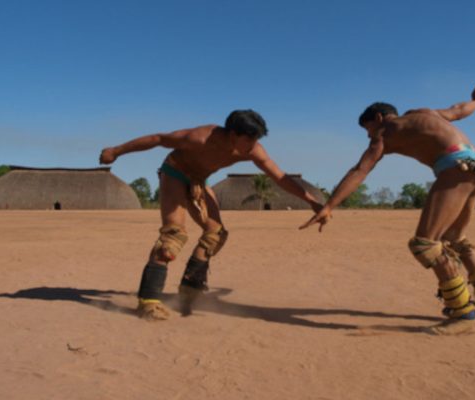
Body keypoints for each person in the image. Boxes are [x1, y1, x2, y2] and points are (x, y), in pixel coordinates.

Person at [300, 84, 475, 334]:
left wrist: (329, 205)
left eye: (368, 129)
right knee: (455, 238)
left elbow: (360, 170)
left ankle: (462, 314)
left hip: (454, 167)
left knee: (424, 244)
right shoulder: (425, 112)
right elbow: (459, 110)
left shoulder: (384, 132)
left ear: (378, 118)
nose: (369, 136)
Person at [100, 110, 323, 320]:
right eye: (249, 140)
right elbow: (158, 138)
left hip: (199, 180)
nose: (253, 146)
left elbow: (280, 177)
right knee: (173, 237)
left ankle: (189, 290)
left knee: (215, 234)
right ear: (233, 134)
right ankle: (148, 302)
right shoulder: (198, 137)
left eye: (256, 140)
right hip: (174, 173)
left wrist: (312, 201)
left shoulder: (253, 151)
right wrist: (116, 151)